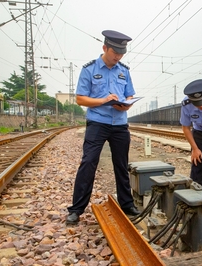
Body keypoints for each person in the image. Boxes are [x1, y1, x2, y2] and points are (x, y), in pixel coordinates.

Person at [66, 30, 140, 225]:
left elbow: (130, 94)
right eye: (115, 52)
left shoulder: (124, 70)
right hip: (97, 123)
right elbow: (81, 98)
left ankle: (127, 204)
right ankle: (76, 209)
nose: (117, 57)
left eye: (121, 53)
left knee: (122, 165)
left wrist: (127, 103)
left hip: (120, 124)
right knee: (88, 162)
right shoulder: (89, 69)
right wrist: (103, 100)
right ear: (104, 48)